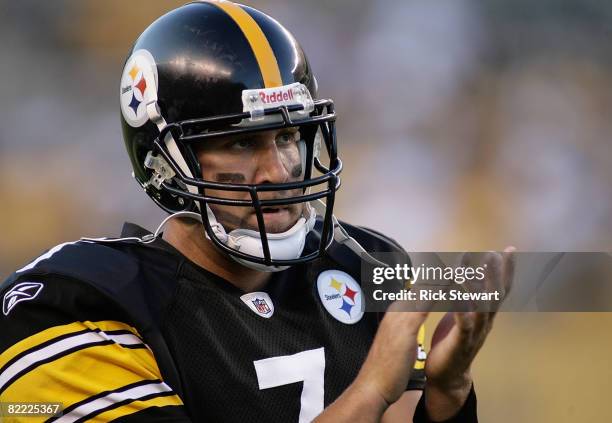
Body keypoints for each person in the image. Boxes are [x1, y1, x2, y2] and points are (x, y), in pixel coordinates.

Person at [0, 1, 514, 422]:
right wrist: (372, 389)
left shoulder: (364, 262)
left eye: (288, 135)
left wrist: (446, 397)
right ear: (165, 161)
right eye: (242, 143)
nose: (278, 169)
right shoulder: (73, 305)